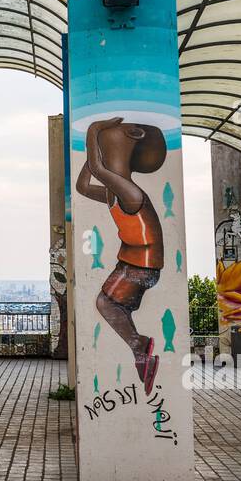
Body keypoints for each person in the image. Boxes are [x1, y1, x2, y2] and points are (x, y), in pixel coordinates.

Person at [76, 117, 165, 395]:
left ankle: (141, 348)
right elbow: (82, 185)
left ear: (135, 135)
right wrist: (95, 149)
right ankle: (141, 348)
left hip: (142, 265)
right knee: (111, 305)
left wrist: (94, 131)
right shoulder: (114, 193)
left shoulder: (130, 192)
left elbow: (99, 170)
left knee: (106, 303)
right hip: (133, 262)